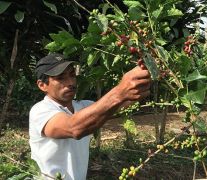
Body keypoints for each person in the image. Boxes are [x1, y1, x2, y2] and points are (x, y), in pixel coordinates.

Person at [29, 52, 152, 180]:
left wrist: (147, 75)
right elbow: (74, 127)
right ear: (42, 85)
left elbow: (119, 105)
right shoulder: (40, 111)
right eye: (60, 78)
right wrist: (119, 92)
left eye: (72, 75)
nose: (70, 82)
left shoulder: (82, 107)